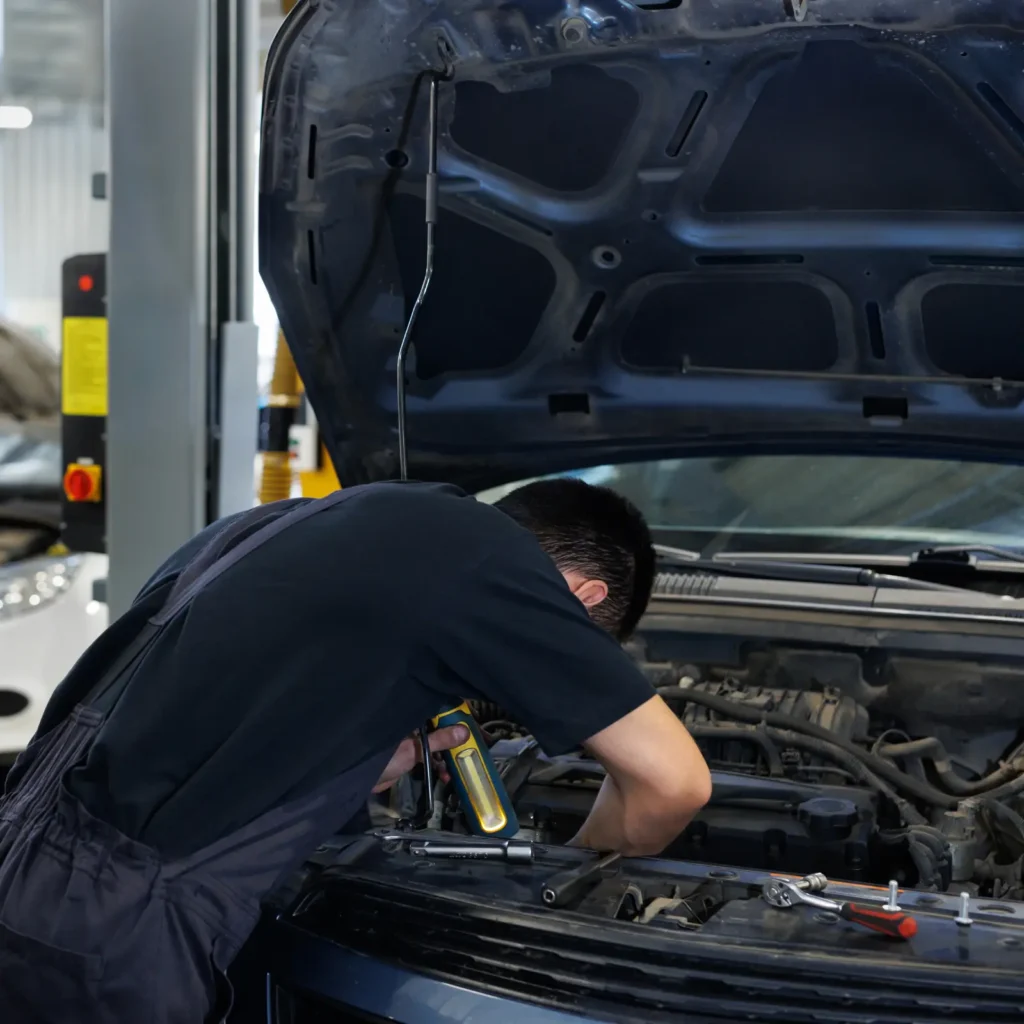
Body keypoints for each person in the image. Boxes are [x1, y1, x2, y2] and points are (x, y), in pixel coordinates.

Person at [0, 478, 711, 1023]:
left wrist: (359, 761)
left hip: (31, 863)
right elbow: (675, 784)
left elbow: (203, 706)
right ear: (579, 600)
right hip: (116, 929)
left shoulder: (300, 521)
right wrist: (568, 878)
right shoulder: (490, 565)